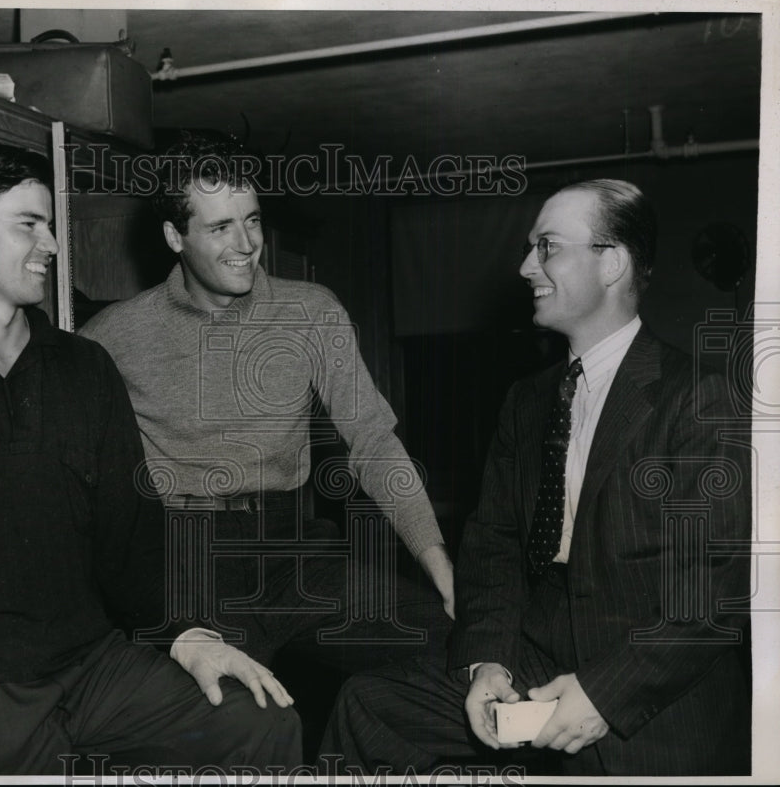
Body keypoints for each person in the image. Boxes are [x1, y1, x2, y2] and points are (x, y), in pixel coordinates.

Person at [0, 140, 301, 775]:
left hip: (91, 666)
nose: (53, 245)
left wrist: (187, 635)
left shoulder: (83, 367)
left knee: (256, 721)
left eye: (52, 225)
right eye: (28, 225)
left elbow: (131, 537)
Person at [319, 179, 751, 776]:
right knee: (370, 706)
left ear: (613, 264)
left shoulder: (700, 398)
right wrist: (486, 662)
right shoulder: (526, 402)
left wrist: (603, 693)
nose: (525, 266)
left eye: (546, 247)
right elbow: (492, 547)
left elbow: (713, 593)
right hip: (533, 661)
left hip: (654, 685)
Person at [79, 133, 454, 681]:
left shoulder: (312, 310)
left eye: (252, 220)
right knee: (250, 713)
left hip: (294, 549)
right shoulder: (111, 337)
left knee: (446, 645)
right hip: (184, 558)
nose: (246, 243)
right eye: (220, 227)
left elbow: (373, 441)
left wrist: (436, 559)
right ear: (173, 236)